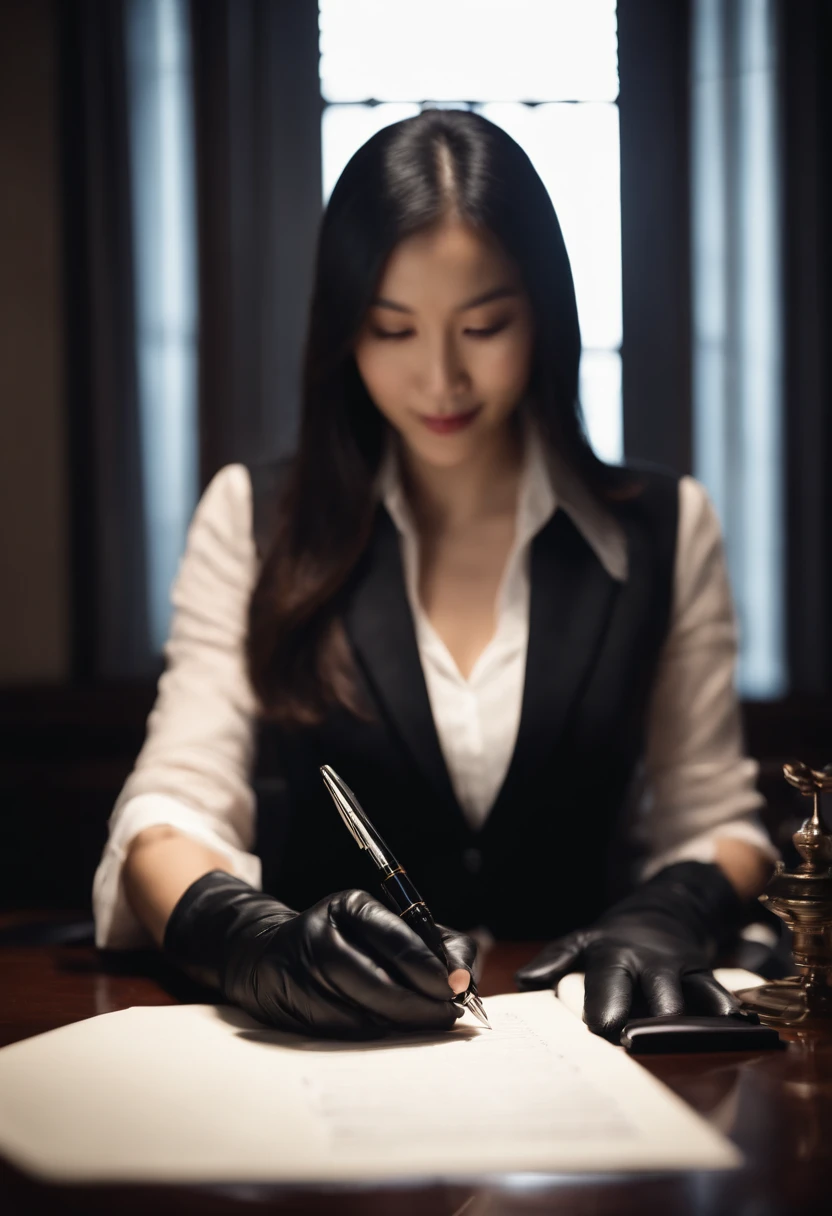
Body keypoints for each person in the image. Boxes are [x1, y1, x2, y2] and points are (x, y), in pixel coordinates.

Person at [93, 109, 778, 1041]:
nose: (442, 379)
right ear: (343, 332)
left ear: (543, 312)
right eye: (393, 330)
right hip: (328, 1051)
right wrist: (254, 941)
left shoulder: (664, 527)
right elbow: (171, 807)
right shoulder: (254, 518)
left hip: (577, 1045)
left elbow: (718, 819)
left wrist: (675, 909)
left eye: (484, 325)